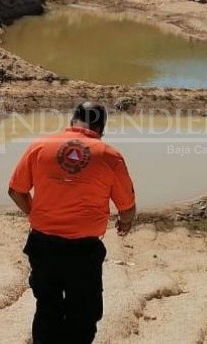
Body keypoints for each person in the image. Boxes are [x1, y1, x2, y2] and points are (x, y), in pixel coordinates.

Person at [8, 102, 137, 344]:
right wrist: (125, 223)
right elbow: (127, 207)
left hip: (42, 244)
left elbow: (16, 191)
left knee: (47, 308)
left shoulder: (40, 146)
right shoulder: (110, 156)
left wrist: (36, 214)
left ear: (72, 121)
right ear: (101, 127)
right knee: (83, 313)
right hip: (83, 251)